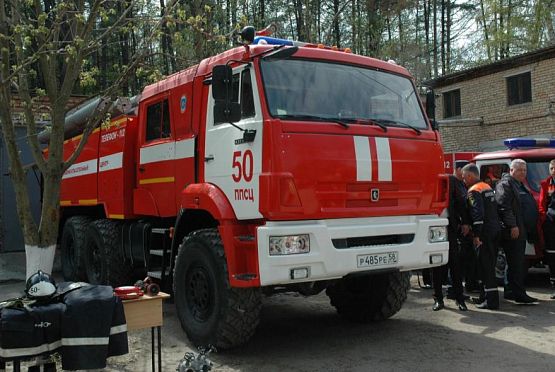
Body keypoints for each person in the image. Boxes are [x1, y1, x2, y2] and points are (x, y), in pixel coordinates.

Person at [495, 159, 539, 304]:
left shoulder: (519, 184)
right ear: (511, 170)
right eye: (520, 170)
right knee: (517, 264)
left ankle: (511, 291)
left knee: (515, 263)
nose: (523, 173)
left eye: (525, 170)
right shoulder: (505, 184)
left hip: (521, 229)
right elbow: (504, 207)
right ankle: (519, 294)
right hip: (512, 231)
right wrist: (513, 225)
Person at [432, 162, 470, 311]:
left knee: (455, 263)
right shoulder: (426, 180)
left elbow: (461, 203)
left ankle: (459, 299)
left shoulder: (450, 180)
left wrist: (465, 222)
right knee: (436, 265)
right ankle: (438, 299)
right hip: (432, 229)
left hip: (450, 227)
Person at [462, 163, 501, 309]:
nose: (464, 181)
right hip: (495, 230)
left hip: (484, 233)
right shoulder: (487, 186)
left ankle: (491, 302)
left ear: (470, 176)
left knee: (486, 267)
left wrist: (476, 235)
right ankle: (485, 297)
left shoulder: (473, 191)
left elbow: (478, 215)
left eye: (465, 177)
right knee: (490, 265)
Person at [539, 159, 555, 299]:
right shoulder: (545, 184)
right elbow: (542, 204)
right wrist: (544, 218)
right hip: (551, 224)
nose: (553, 170)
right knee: (551, 255)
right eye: (551, 168)